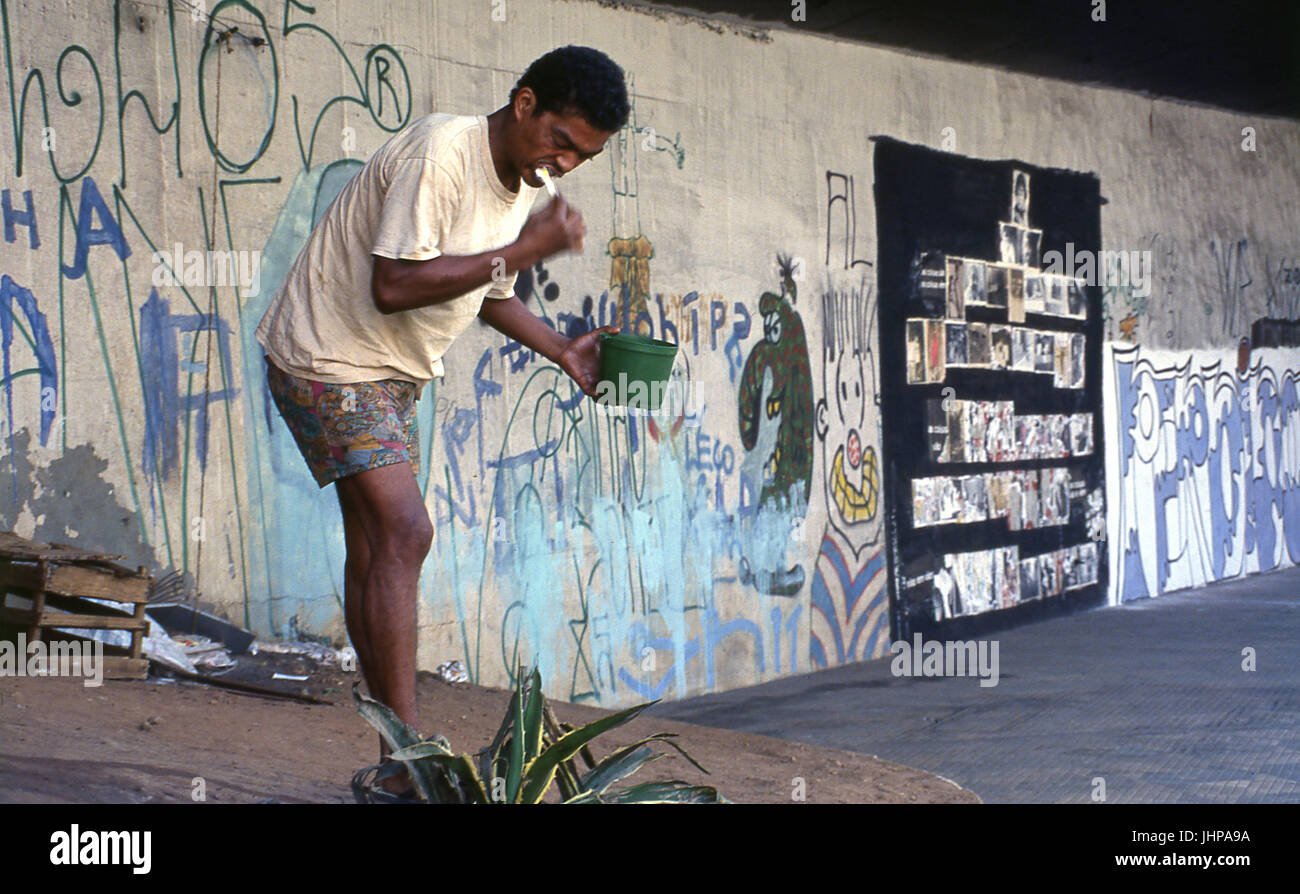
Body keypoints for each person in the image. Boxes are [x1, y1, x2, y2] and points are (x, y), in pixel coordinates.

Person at [254, 46, 630, 795]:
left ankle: (394, 753)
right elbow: (395, 283)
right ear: (524, 103)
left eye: (582, 157)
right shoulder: (442, 153)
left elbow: (488, 290)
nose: (564, 163)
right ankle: (407, 766)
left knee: (375, 545)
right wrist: (523, 247)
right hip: (329, 355)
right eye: (562, 140)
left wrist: (562, 350)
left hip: (393, 374)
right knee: (406, 532)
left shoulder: (522, 176)